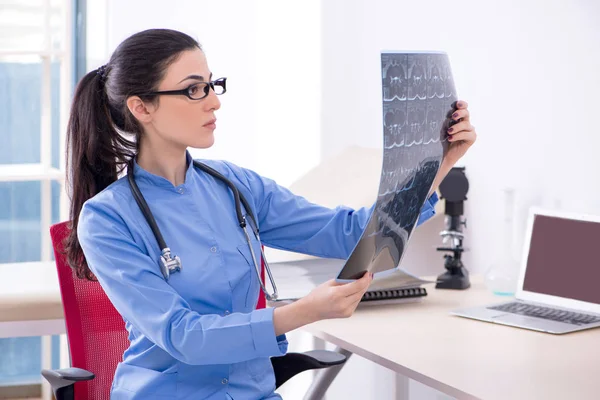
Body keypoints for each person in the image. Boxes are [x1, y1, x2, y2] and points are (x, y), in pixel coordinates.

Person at [65, 29, 477, 400]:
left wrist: (437, 164)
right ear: (142, 107)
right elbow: (183, 336)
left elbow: (349, 233)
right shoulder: (107, 219)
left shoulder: (234, 185)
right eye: (194, 90)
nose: (214, 101)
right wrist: (305, 311)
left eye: (212, 85)